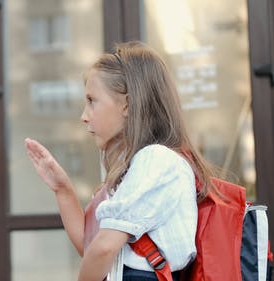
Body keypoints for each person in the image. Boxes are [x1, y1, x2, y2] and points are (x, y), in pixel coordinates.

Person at [25, 41, 221, 281]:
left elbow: (103, 249)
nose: (84, 116)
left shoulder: (156, 160)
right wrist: (62, 189)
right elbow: (91, 247)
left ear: (127, 105)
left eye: (91, 101)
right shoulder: (138, 167)